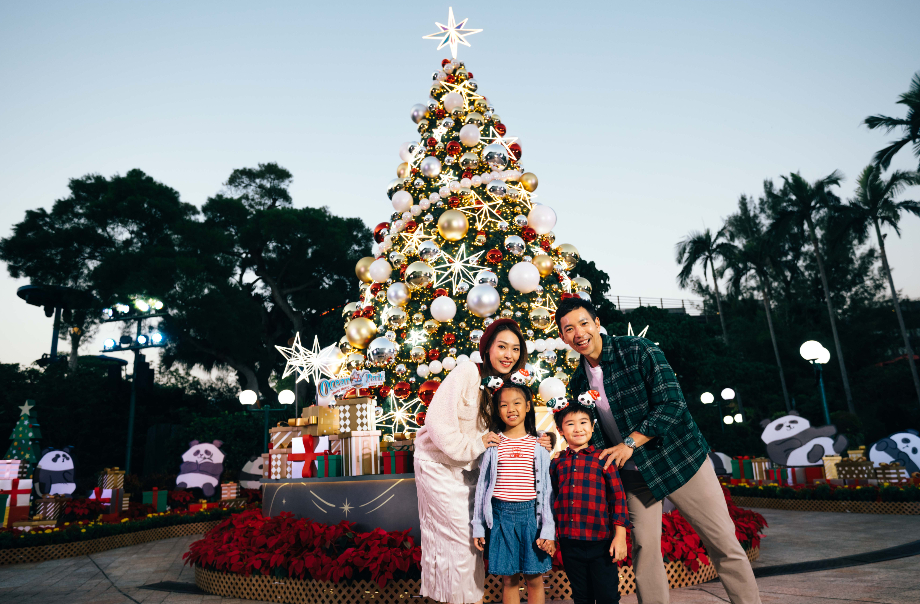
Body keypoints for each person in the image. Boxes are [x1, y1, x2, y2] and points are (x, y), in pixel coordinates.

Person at [556, 297, 762, 604]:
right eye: (568, 329)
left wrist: (629, 443)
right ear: (562, 337)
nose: (578, 333)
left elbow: (672, 403)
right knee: (645, 552)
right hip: (633, 477)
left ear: (597, 324)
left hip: (680, 461)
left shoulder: (638, 350)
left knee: (723, 543)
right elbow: (587, 435)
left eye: (584, 323)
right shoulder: (577, 383)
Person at [414, 318, 551, 604]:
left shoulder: (505, 386)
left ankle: (463, 598)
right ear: (487, 348)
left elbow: (511, 426)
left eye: (515, 349)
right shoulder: (467, 372)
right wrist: (475, 445)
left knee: (469, 544)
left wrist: (539, 439)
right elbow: (436, 422)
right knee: (459, 542)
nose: (508, 354)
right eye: (502, 346)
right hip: (438, 465)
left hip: (471, 470)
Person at [471, 377, 555, 604]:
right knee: (509, 580)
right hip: (500, 516)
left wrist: (548, 529)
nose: (511, 409)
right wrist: (478, 526)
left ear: (528, 406)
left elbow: (547, 491)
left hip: (531, 517)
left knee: (534, 578)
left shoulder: (539, 444)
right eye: (504, 404)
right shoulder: (493, 444)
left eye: (517, 403)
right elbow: (482, 487)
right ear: (497, 410)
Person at [548, 394, 629, 604]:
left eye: (584, 422)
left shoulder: (603, 458)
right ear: (560, 430)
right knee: (581, 596)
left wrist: (620, 536)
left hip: (600, 542)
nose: (578, 428)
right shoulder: (557, 463)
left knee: (607, 595)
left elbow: (618, 497)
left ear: (592, 427)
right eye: (570, 424)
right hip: (569, 542)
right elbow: (552, 498)